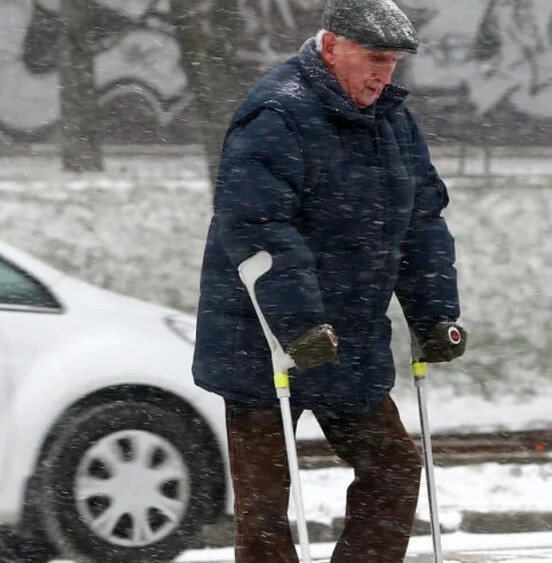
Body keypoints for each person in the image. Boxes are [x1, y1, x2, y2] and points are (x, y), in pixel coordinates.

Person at [192, 0, 467, 561]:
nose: (382, 75)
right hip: (263, 339)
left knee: (392, 467)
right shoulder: (277, 114)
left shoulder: (393, 122)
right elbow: (259, 227)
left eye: (391, 62)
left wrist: (434, 313)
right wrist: (299, 325)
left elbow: (420, 221)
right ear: (331, 45)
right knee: (265, 505)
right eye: (373, 58)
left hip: (353, 338)